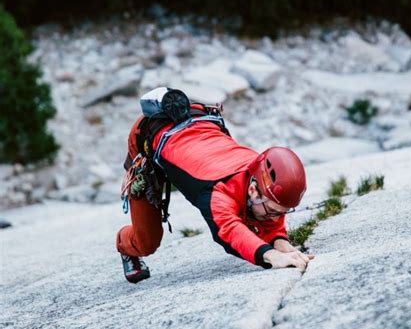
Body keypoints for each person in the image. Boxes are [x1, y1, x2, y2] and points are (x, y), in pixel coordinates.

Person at [116, 108, 314, 283]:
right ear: (253, 189)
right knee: (147, 242)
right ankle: (124, 245)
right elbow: (229, 230)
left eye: (283, 212)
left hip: (195, 125)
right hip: (148, 135)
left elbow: (270, 213)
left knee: (258, 210)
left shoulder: (259, 173)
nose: (278, 217)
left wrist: (281, 241)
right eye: (273, 211)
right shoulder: (217, 192)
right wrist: (271, 255)